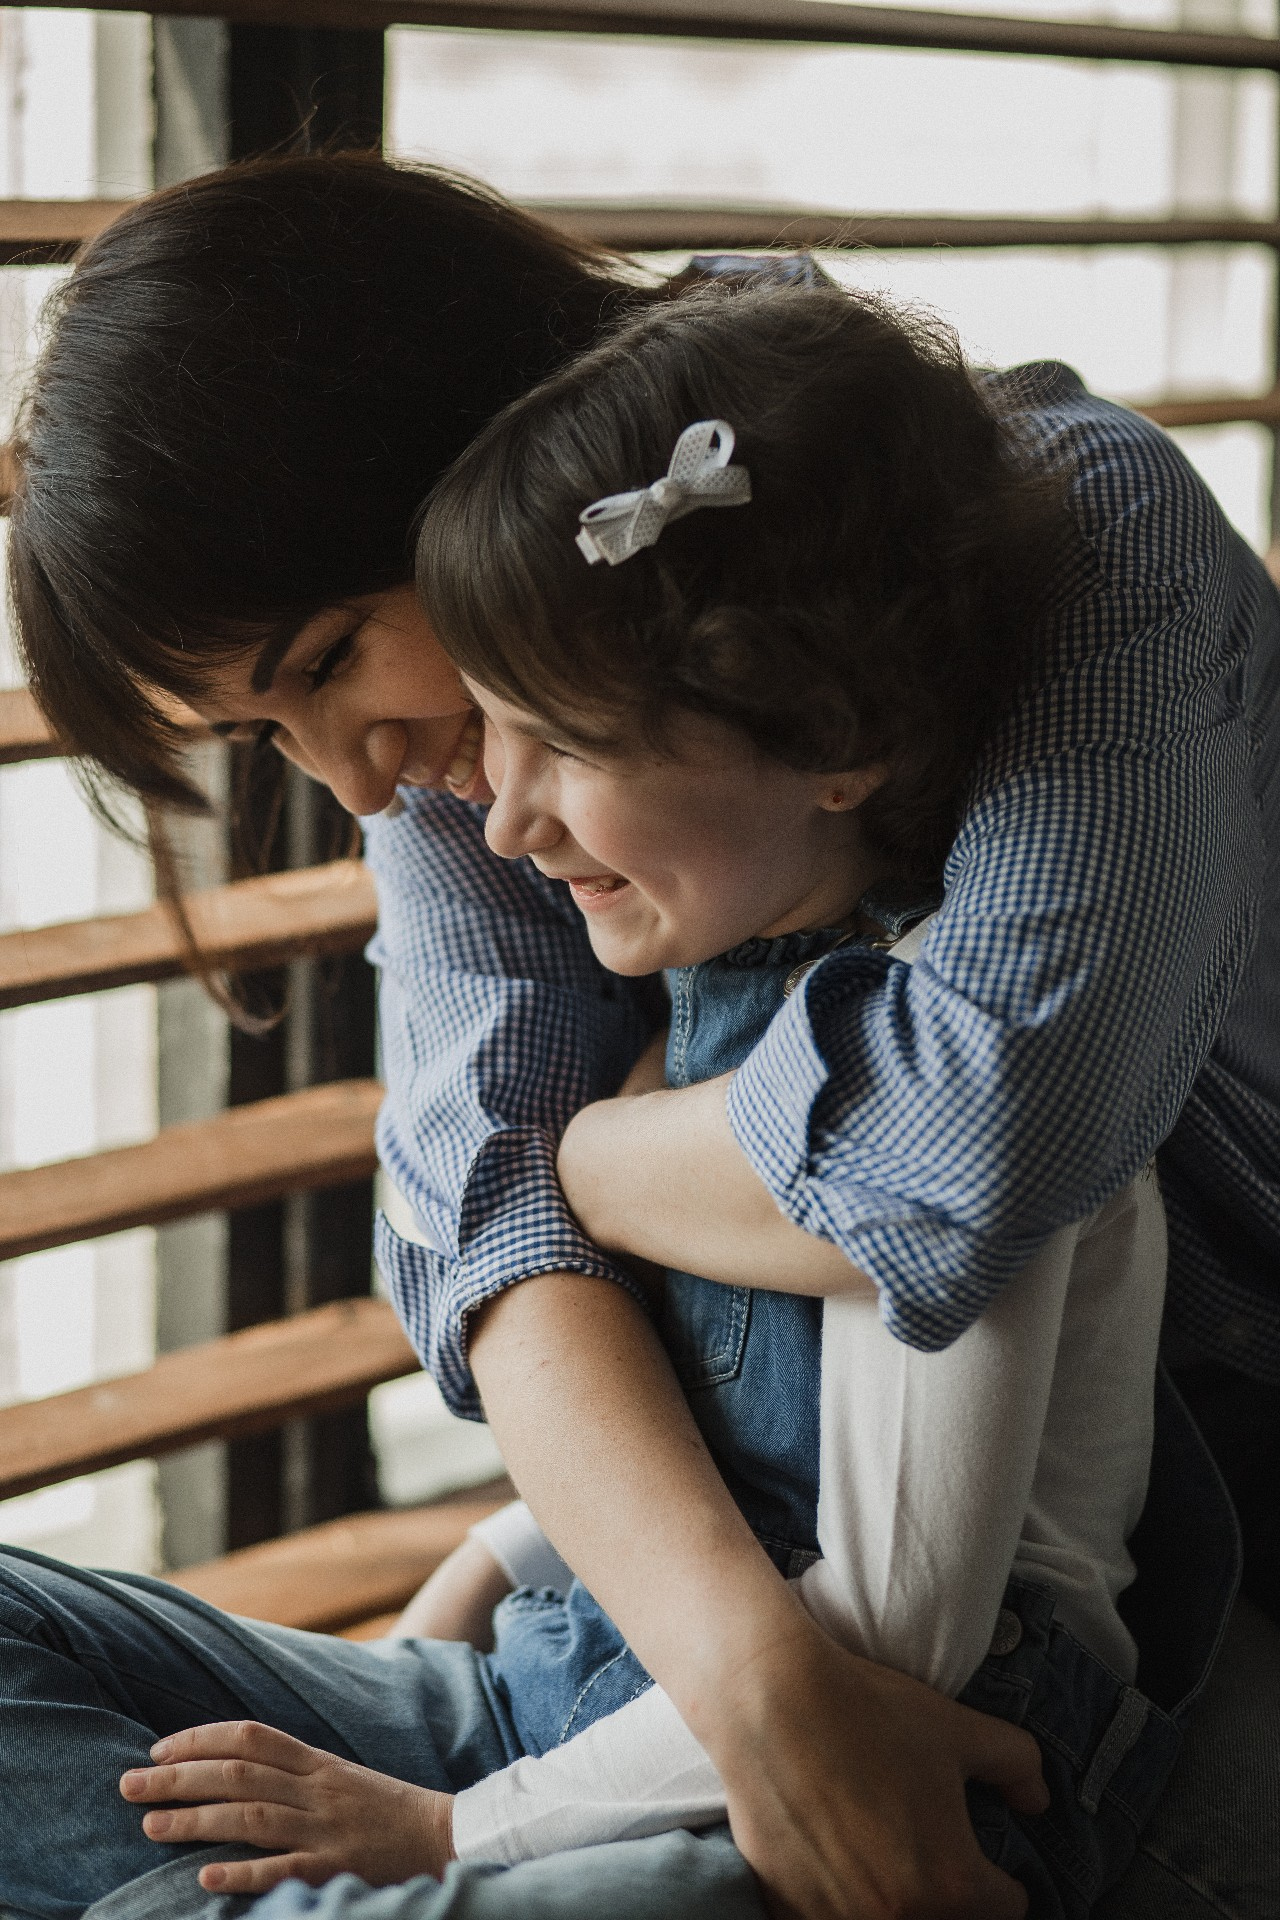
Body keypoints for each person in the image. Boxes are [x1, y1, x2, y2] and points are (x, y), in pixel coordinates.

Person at [4, 152, 1276, 1920]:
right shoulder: (501, 739)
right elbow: (473, 1218)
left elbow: (964, 1159)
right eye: (261, 736)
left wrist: (593, 1158)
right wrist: (742, 1687)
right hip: (642, 1667)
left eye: (320, 664)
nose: (354, 786)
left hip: (1099, 1584)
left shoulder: (1069, 528)